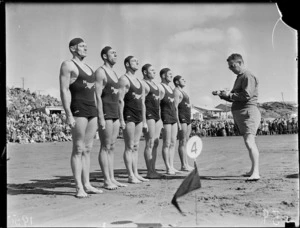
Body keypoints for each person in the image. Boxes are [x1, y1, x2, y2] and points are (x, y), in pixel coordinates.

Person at [59, 38, 102, 198]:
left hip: (92, 109)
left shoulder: (90, 67)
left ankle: (87, 184)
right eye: (82, 46)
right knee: (78, 148)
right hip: (78, 108)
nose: (85, 48)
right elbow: (64, 90)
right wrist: (68, 114)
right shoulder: (68, 65)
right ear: (72, 48)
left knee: (88, 149)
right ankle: (79, 187)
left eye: (86, 45)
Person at [214, 53, 261, 181]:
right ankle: (253, 170)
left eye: (232, 66)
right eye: (229, 67)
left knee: (250, 142)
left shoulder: (247, 75)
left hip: (248, 112)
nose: (231, 68)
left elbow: (246, 95)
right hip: (242, 112)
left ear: (240, 63)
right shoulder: (240, 76)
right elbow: (237, 95)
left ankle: (256, 172)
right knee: (248, 142)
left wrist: (228, 95)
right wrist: (223, 95)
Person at [94, 46, 127, 190]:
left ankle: (112, 178)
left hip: (114, 113)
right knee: (105, 146)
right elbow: (97, 96)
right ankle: (106, 180)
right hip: (106, 113)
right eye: (112, 53)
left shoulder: (114, 73)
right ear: (104, 56)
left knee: (112, 147)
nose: (115, 54)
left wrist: (120, 117)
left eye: (116, 52)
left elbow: (119, 98)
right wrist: (100, 117)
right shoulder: (100, 72)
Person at [118, 56, 149, 183]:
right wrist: (121, 119)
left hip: (138, 116)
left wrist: (144, 120)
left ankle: (136, 173)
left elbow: (142, 102)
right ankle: (130, 175)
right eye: (134, 61)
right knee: (129, 146)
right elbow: (120, 100)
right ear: (126, 64)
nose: (137, 62)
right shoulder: (123, 80)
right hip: (128, 115)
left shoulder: (139, 82)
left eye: (138, 60)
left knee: (136, 146)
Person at [141, 64, 163, 179]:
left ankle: (153, 169)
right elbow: (142, 102)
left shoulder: (156, 85)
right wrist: (144, 121)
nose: (154, 72)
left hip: (157, 116)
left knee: (155, 143)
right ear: (145, 72)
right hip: (149, 115)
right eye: (152, 70)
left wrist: (160, 119)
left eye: (155, 70)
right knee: (149, 143)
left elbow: (159, 100)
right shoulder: (143, 84)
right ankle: (149, 171)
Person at [158, 68, 180, 175]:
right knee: (166, 143)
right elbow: (157, 105)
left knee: (173, 142)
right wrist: (159, 121)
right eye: (169, 74)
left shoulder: (171, 88)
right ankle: (167, 166)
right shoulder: (160, 87)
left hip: (173, 117)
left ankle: (171, 165)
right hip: (165, 117)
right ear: (163, 75)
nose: (171, 76)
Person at [173, 75, 193, 171]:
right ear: (176, 82)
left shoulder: (184, 92)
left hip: (187, 118)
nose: (184, 80)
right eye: (182, 79)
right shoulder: (176, 91)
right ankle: (183, 165)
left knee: (186, 141)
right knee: (182, 141)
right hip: (182, 118)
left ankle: (186, 163)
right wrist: (177, 122)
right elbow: (175, 107)